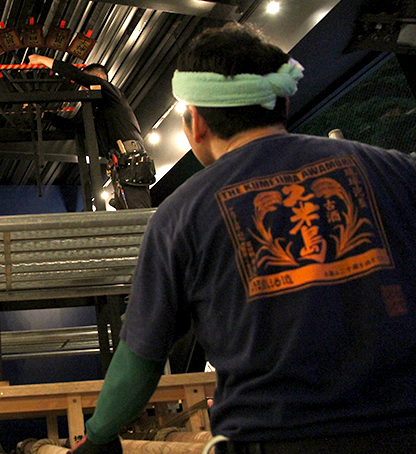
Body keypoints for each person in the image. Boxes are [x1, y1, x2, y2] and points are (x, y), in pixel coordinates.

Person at [71, 23, 416, 454]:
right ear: (282, 104)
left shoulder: (179, 216)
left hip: (269, 439)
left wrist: (98, 436)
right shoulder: (394, 170)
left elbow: (139, 361)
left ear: (195, 124)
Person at [28, 54, 154, 209]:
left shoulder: (112, 94)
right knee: (130, 214)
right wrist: (44, 115)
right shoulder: (99, 111)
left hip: (130, 162)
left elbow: (77, 76)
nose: (82, 89)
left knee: (136, 214)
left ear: (99, 79)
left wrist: (43, 60)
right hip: (122, 165)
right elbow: (75, 127)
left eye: (84, 85)